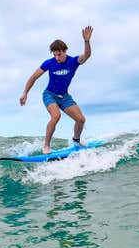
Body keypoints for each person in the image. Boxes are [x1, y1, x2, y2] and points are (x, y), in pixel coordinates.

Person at [19, 26, 93, 154]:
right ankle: (46, 146)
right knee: (56, 115)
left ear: (65, 51)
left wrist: (86, 41)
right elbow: (34, 77)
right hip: (50, 95)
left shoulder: (73, 61)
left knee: (81, 119)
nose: (57, 58)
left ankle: (76, 141)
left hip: (64, 97)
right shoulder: (49, 63)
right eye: (55, 55)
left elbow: (86, 55)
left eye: (59, 54)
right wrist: (25, 92)